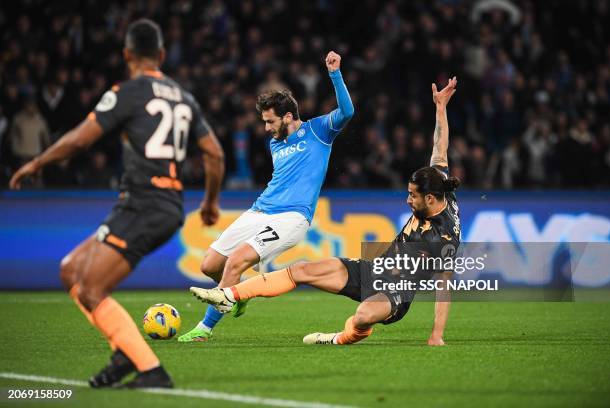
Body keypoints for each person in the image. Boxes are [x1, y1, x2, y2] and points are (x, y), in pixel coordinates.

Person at [9, 19, 224, 387]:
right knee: (70, 271)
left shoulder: (129, 91)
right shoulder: (184, 98)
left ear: (126, 55)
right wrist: (209, 203)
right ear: (160, 54)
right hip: (161, 204)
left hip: (144, 204)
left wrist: (37, 162)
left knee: (91, 289)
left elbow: (79, 140)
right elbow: (215, 154)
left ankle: (148, 368)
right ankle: (125, 351)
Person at [190, 77, 460, 346]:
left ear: (431, 198)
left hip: (396, 289)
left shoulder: (444, 238)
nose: (407, 201)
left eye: (413, 196)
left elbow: (443, 285)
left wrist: (436, 335)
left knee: (362, 316)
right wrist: (440, 108)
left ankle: (335, 337)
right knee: (289, 268)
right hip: (374, 267)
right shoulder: (437, 183)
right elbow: (440, 147)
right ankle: (235, 294)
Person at [179, 51, 354, 342]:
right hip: (260, 210)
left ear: (288, 116)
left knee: (235, 262)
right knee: (209, 265)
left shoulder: (319, 131)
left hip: (292, 217)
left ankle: (203, 330)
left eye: (270, 121)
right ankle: (239, 292)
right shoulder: (275, 143)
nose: (266, 128)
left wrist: (334, 74)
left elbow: (347, 112)